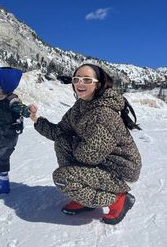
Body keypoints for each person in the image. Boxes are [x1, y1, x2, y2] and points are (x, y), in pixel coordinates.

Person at [29, 63, 142, 225]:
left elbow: (88, 156)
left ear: (98, 84)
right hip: (101, 162)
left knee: (64, 178)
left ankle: (119, 199)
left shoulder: (104, 113)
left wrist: (71, 143)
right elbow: (60, 132)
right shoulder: (80, 107)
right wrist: (36, 120)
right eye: (77, 79)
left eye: (87, 80)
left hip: (120, 170)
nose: (80, 83)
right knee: (62, 143)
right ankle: (85, 198)